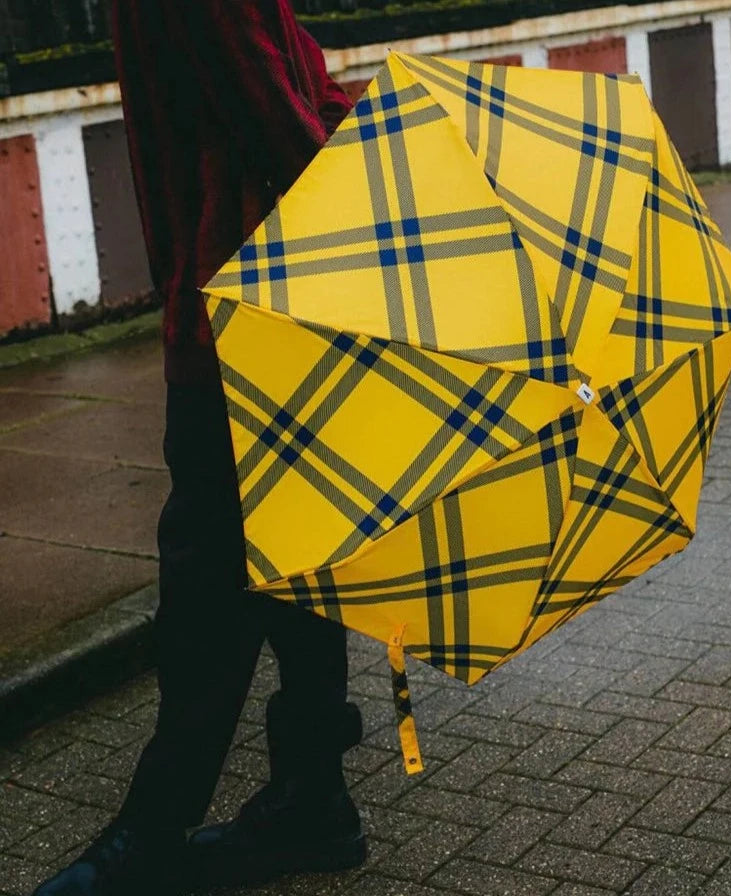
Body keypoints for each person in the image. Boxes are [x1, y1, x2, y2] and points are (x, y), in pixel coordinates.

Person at [33, 3, 363, 894]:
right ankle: (311, 798)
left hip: (249, 314)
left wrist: (359, 134)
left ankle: (158, 830)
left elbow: (290, 103)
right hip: (257, 303)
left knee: (219, 583)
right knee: (287, 561)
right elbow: (290, 112)